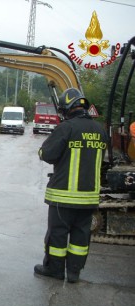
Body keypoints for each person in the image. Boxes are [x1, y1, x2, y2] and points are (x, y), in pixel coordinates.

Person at [34, 88, 107, 283]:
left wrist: (42, 151)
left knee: (57, 234)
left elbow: (47, 154)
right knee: (81, 236)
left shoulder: (66, 128)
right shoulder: (100, 130)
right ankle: (74, 272)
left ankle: (54, 269)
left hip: (63, 196)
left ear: (67, 108)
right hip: (89, 197)